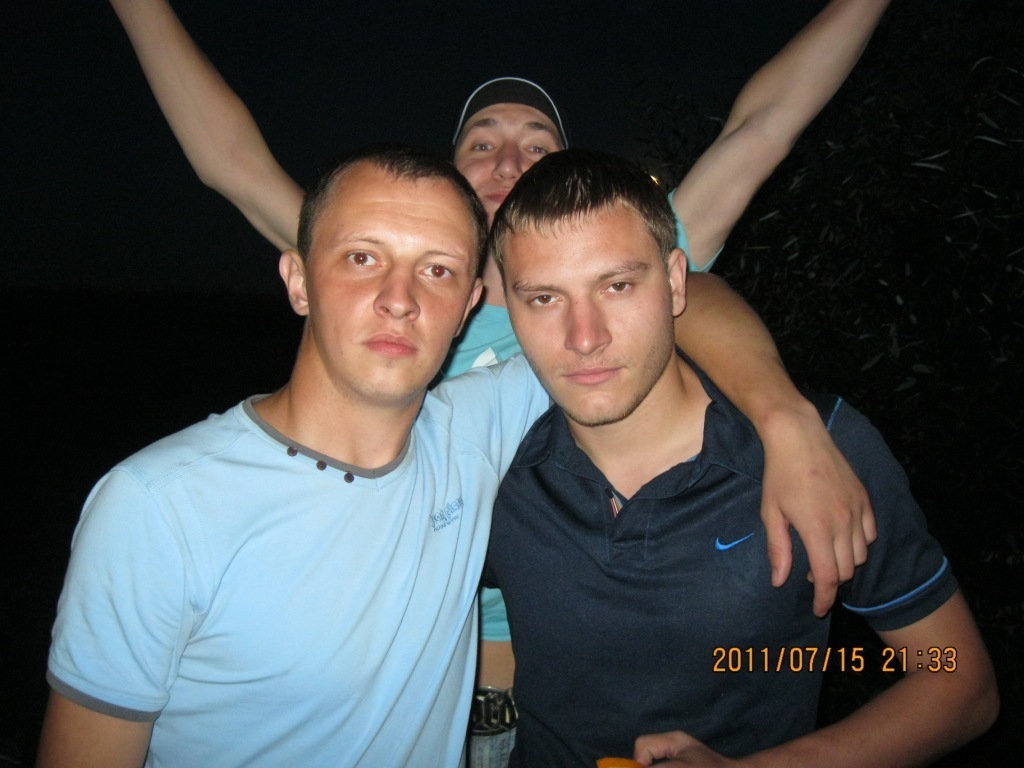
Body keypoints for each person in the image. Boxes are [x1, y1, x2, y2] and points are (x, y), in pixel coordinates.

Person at [106, 0, 889, 762]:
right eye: (482, 144)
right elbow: (233, 164)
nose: (509, 163)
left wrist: (784, 415)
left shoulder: (596, 293)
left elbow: (763, 129)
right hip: (412, 704)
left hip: (561, 704)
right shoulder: (400, 294)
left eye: (536, 146)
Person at [37, 144, 557, 767]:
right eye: (362, 258)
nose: (400, 298)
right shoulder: (158, 508)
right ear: (299, 281)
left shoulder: (470, 434)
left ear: (468, 305)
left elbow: (622, 322)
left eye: (437, 270)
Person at [483, 148, 1000, 768]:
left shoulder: (818, 452)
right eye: (544, 298)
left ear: (676, 281)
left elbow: (958, 680)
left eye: (617, 285)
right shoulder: (488, 468)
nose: (585, 336)